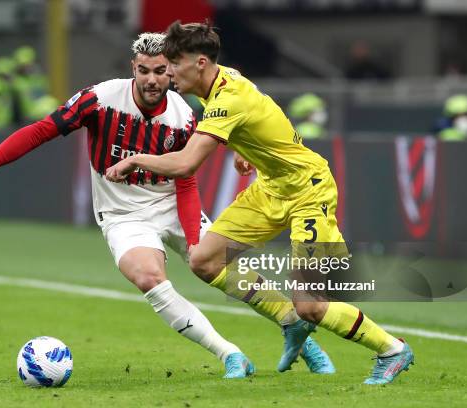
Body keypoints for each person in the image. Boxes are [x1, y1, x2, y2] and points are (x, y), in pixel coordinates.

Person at [0, 33, 332, 378]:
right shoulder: (100, 99)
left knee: (215, 264)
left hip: (172, 199)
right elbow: (43, 130)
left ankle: (296, 329)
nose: (151, 79)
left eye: (161, 70)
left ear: (173, 71)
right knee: (148, 277)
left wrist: (201, 224)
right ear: (133, 68)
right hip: (123, 214)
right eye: (143, 70)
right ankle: (229, 354)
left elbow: (191, 173)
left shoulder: (183, 115)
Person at [106, 22, 414, 385]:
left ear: (200, 62)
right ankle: (291, 321)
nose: (168, 71)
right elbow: (260, 112)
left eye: (174, 62)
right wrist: (243, 148)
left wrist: (134, 159)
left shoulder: (226, 99)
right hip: (271, 188)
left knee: (313, 304)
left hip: (308, 192)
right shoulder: (218, 82)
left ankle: (392, 349)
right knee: (205, 260)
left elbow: (186, 163)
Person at [12, 45, 59, 122]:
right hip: (29, 115)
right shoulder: (16, 82)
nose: (28, 67)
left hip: (39, 112)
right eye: (24, 66)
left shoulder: (38, 79)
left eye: (29, 64)